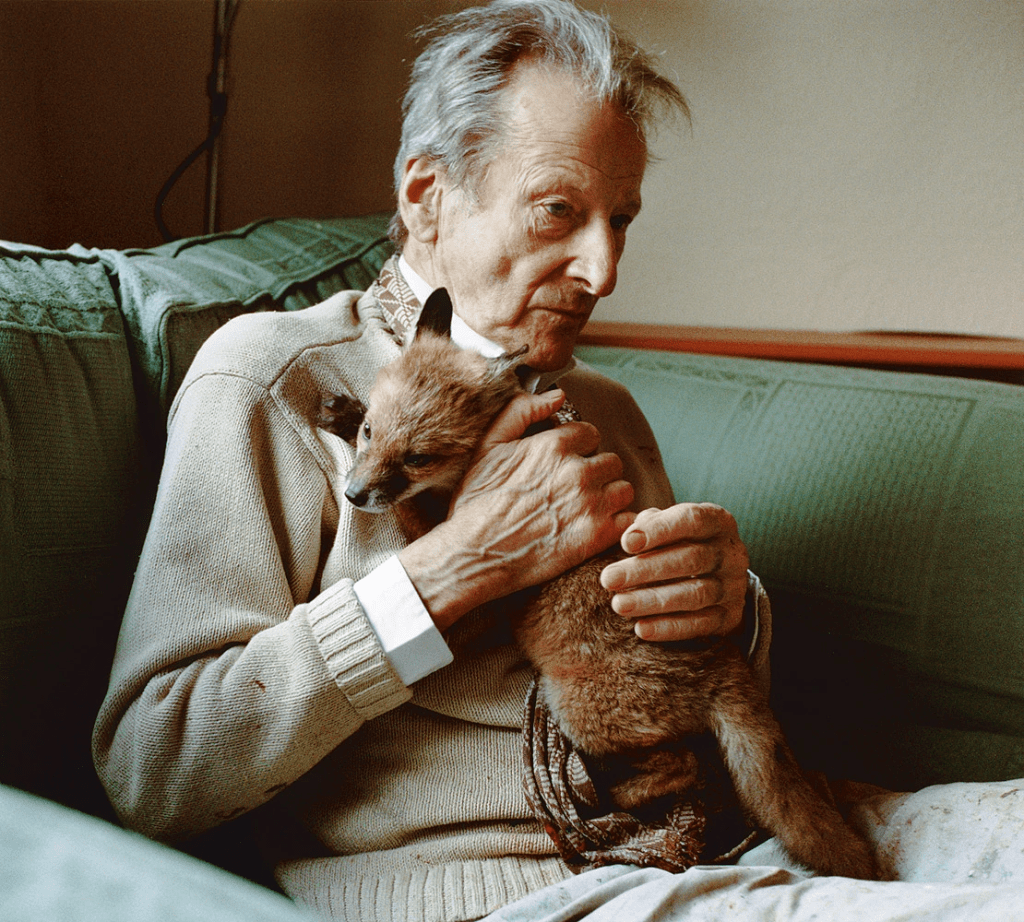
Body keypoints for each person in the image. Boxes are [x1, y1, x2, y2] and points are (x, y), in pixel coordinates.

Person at [93, 2, 1024, 922]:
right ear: (425, 195)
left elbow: (689, 700)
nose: (603, 271)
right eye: (558, 212)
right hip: (515, 891)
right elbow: (154, 767)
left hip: (735, 834)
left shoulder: (601, 406)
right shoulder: (273, 380)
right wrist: (452, 571)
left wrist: (728, 612)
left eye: (621, 220)